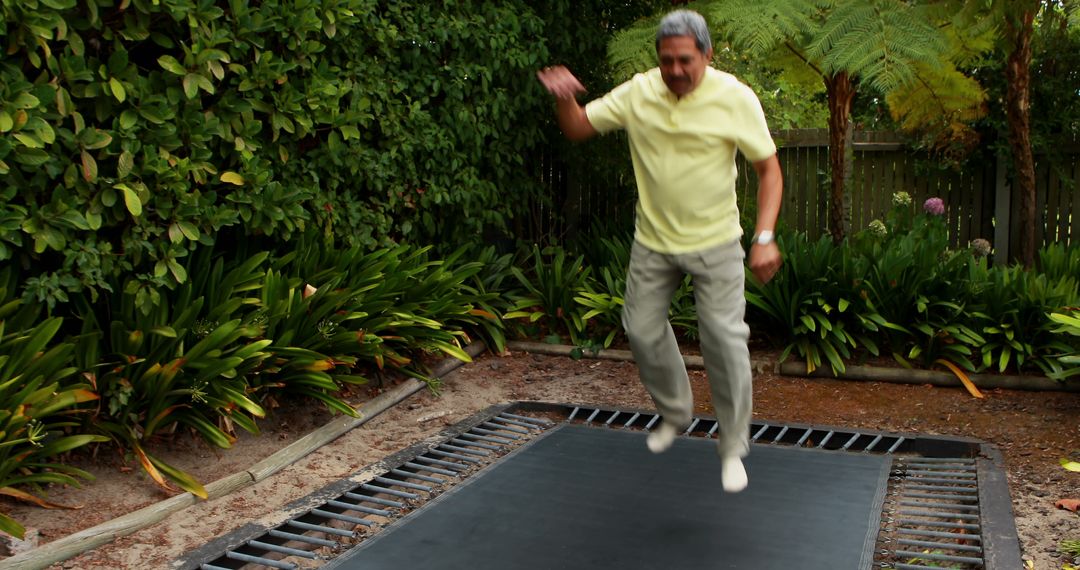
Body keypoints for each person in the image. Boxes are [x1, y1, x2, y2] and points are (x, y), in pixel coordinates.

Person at [536, 9, 783, 493]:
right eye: (667, 60)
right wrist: (565, 98)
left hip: (716, 242)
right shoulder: (639, 92)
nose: (675, 70)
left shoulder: (735, 98)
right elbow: (579, 127)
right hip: (654, 242)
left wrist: (765, 236)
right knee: (641, 329)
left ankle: (733, 446)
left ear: (707, 55)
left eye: (685, 60)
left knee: (723, 339)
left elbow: (769, 171)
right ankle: (676, 412)